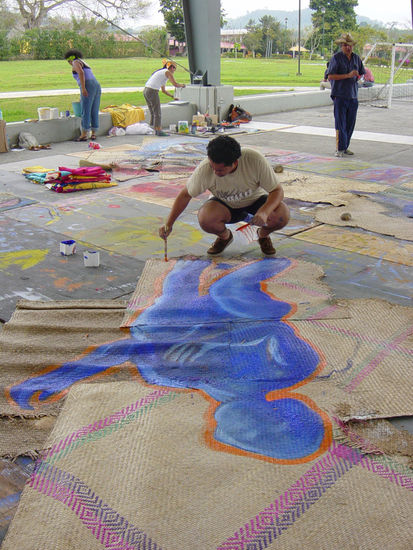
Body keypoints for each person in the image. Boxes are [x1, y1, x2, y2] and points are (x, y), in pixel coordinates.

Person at [159, 135, 289, 256]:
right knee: (206, 218)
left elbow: (277, 190)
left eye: (220, 170)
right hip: (225, 206)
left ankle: (263, 235)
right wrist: (169, 224)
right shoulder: (205, 170)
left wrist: (265, 212)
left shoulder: (254, 160)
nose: (215, 172)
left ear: (235, 163)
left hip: (255, 201)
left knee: (282, 215)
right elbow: (185, 195)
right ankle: (225, 237)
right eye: (212, 166)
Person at [327, 33, 365, 157]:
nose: (348, 48)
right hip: (340, 95)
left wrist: (359, 78)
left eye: (349, 45)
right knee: (340, 123)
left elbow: (362, 73)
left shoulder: (356, 58)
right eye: (345, 45)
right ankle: (339, 148)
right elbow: (330, 76)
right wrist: (347, 75)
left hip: (353, 96)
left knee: (350, 124)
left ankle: (345, 146)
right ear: (341, 46)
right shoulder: (336, 58)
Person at [64, 49, 101, 142]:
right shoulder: (83, 62)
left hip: (87, 85)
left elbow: (81, 73)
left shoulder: (75, 62)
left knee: (86, 109)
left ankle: (84, 134)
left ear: (69, 59)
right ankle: (94, 133)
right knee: (94, 109)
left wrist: (83, 88)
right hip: (96, 85)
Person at [144, 59, 186, 136]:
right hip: (152, 91)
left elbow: (163, 90)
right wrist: (183, 85)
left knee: (153, 112)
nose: (174, 71)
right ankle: (158, 131)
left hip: (146, 90)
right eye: (174, 69)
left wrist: (172, 96)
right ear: (172, 67)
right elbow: (175, 84)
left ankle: (152, 128)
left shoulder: (162, 73)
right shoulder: (167, 72)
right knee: (157, 112)